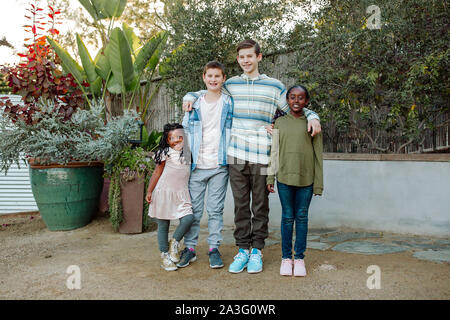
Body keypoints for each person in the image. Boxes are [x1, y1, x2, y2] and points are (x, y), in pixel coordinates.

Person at [183, 39, 322, 274]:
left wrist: (313, 115)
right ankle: (242, 250)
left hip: (261, 155)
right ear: (238, 60)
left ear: (259, 57)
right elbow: (209, 89)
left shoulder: (274, 86)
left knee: (260, 205)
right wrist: (189, 95)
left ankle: (257, 250)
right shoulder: (231, 84)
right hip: (235, 154)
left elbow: (293, 107)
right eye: (241, 57)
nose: (245, 60)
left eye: (250, 56)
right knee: (240, 206)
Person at [177, 61, 233, 269]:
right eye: (209, 76)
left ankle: (213, 248)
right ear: (204, 77)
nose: (213, 80)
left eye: (217, 76)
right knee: (194, 210)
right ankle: (190, 249)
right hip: (196, 166)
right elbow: (184, 132)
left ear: (223, 78)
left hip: (219, 165)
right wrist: (184, 162)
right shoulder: (195, 102)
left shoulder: (229, 102)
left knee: (215, 210)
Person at [267, 85, 323, 277]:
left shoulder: (312, 123)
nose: (296, 101)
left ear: (307, 101)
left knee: (301, 217)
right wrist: (270, 177)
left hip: (306, 179)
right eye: (292, 97)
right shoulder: (280, 123)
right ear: (287, 100)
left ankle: (299, 258)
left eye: (301, 98)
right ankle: (286, 258)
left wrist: (318, 183)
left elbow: (318, 155)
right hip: (284, 178)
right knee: (287, 218)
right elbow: (274, 152)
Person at [146, 123, 194, 271]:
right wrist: (149, 191)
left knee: (188, 218)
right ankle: (164, 255)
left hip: (181, 193)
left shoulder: (187, 153)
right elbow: (156, 173)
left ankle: (174, 242)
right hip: (163, 193)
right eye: (173, 138)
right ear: (167, 140)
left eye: (180, 137)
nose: (177, 140)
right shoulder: (165, 153)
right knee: (163, 225)